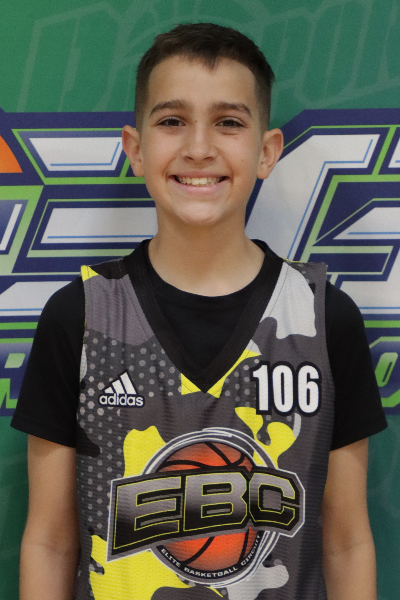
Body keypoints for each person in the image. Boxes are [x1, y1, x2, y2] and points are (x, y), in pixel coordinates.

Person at [12, 22, 387, 600]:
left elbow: (347, 542)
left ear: (267, 152)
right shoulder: (81, 316)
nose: (199, 148)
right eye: (171, 121)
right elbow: (50, 542)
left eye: (229, 122)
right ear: (136, 148)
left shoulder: (323, 319)